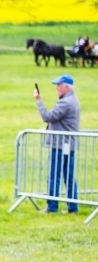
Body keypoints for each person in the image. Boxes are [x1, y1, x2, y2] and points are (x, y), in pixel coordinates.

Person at [35, 75, 81, 214]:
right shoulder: (73, 100)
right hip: (69, 144)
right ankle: (73, 207)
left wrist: (39, 101)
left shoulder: (65, 102)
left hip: (60, 144)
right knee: (69, 175)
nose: (57, 88)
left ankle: (52, 206)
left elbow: (48, 117)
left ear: (66, 87)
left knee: (54, 175)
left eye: (59, 85)